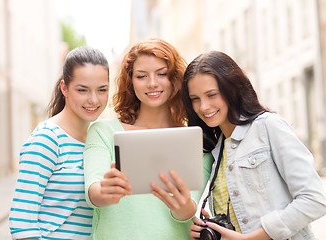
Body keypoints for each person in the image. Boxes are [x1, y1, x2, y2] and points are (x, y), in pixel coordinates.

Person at [181, 50, 326, 239]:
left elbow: (315, 200)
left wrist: (251, 238)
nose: (203, 107)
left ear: (232, 90)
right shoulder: (217, 152)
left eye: (212, 95)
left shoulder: (268, 126)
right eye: (195, 99)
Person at [83, 38, 213, 240]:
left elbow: (190, 208)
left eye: (162, 74)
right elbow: (94, 191)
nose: (152, 83)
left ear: (176, 78)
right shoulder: (103, 131)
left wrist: (185, 208)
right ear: (130, 81)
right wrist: (105, 191)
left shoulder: (196, 141)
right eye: (142, 76)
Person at [9, 46, 110, 240]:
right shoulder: (47, 139)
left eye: (102, 90)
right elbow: (22, 221)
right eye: (83, 90)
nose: (93, 99)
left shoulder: (97, 141)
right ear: (64, 88)